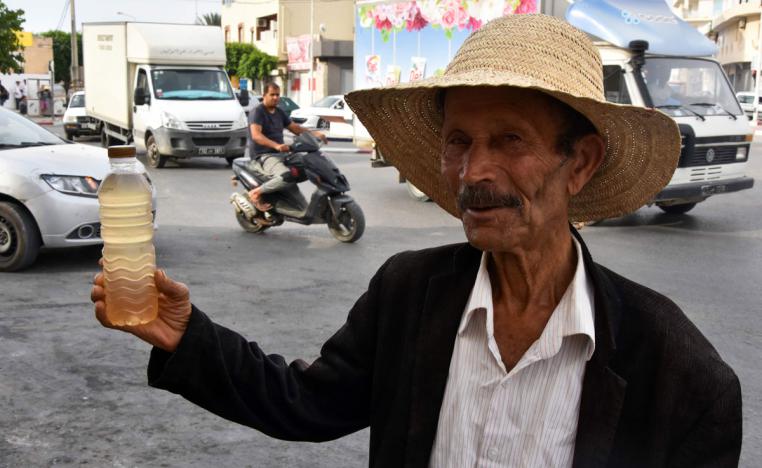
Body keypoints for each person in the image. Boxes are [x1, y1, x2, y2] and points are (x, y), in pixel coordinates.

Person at [90, 15, 741, 467]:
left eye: (510, 139)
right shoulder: (408, 294)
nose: (474, 171)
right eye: (459, 141)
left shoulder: (682, 378)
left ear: (581, 162)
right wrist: (186, 335)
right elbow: (308, 402)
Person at [246, 82, 326, 211]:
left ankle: (286, 195)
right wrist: (276, 146)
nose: (275, 98)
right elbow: (256, 136)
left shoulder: (279, 112)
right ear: (264, 95)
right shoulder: (257, 112)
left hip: (283, 154)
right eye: (272, 95)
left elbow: (295, 128)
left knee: (312, 166)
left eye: (277, 95)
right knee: (286, 176)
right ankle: (256, 193)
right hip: (264, 155)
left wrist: (315, 134)